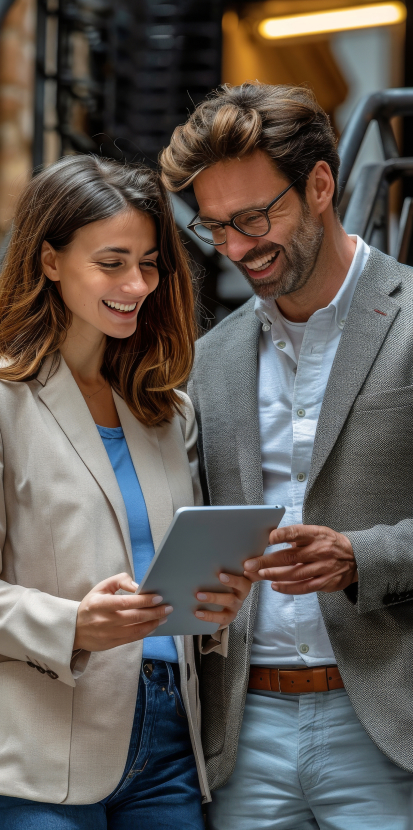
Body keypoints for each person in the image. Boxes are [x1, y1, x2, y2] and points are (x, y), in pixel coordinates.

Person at [160, 82, 413, 829]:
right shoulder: (212, 358)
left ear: (321, 186)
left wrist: (363, 557)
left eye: (253, 218)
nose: (237, 249)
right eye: (216, 228)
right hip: (244, 734)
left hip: (388, 722)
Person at [0, 154, 251, 829]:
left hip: (170, 738)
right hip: (40, 749)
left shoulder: (165, 411)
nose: (136, 284)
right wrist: (73, 625)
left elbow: (171, 577)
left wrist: (213, 605)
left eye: (148, 264)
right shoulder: (6, 402)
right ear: (50, 260)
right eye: (111, 263)